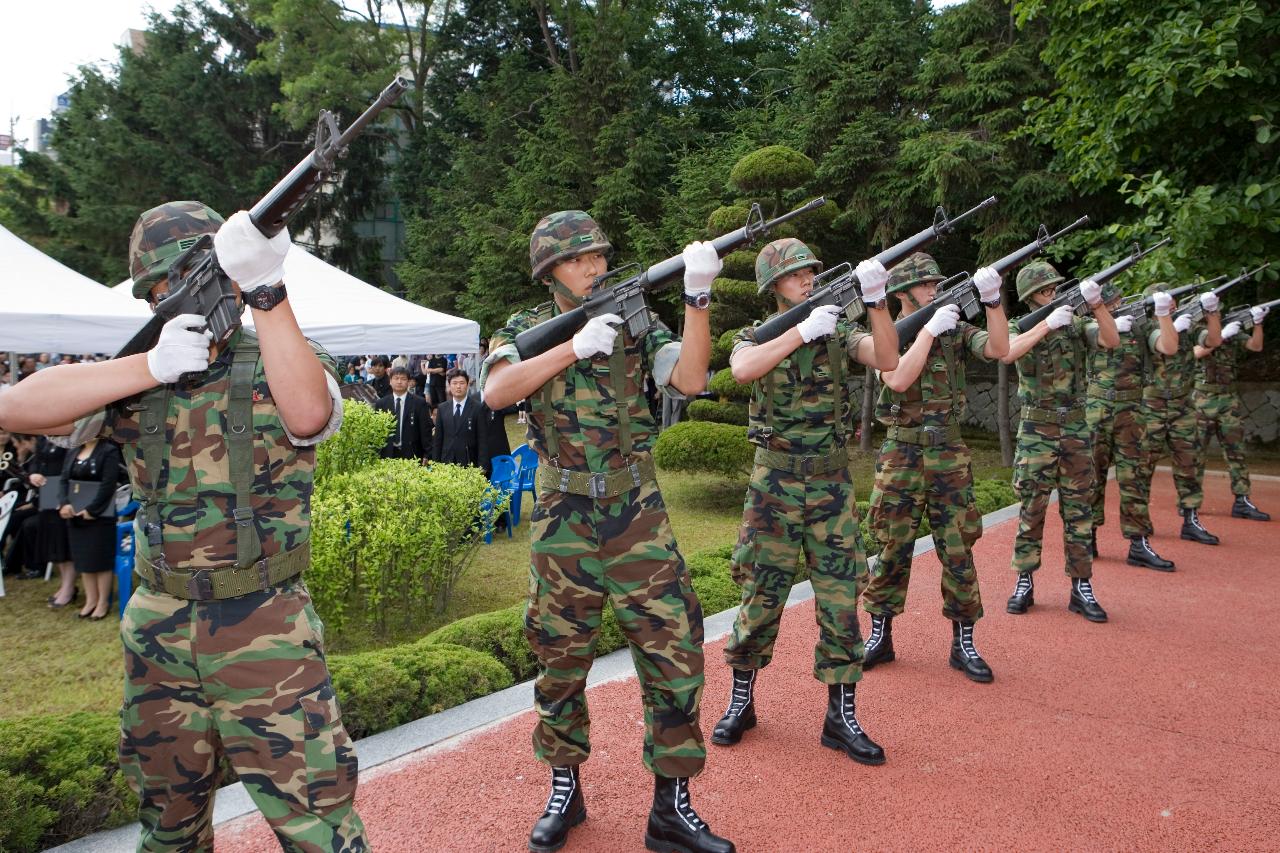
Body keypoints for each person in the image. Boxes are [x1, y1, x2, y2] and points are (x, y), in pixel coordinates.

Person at [0, 200, 366, 850]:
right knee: (168, 829)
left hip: (266, 630)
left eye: (191, 277)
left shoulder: (274, 356)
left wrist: (268, 290)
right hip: (160, 632)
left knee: (321, 828)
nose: (175, 297)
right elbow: (15, 408)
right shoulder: (137, 374)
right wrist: (147, 367)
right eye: (159, 290)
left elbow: (309, 412)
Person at [481, 210, 733, 853]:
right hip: (565, 515)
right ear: (548, 272)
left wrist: (697, 299)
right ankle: (565, 787)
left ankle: (671, 807)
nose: (594, 266)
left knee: (674, 647)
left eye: (599, 255)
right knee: (560, 656)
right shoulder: (520, 331)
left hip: (637, 509)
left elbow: (694, 377)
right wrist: (574, 346)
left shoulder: (635, 324)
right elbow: (497, 391)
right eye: (578, 258)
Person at [712, 237, 894, 762]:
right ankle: (741, 701)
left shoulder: (840, 330)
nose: (808, 280)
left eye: (811, 272)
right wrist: (799, 332)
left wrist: (877, 299)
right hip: (775, 486)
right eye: (796, 275)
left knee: (840, 599)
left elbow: (886, 356)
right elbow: (743, 369)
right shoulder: (754, 335)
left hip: (832, 487)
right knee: (760, 595)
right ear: (773, 285)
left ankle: (842, 715)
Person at [860, 253, 1008, 682]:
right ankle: (880, 636)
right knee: (891, 547)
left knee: (958, 547)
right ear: (902, 293)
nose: (934, 289)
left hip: (948, 452)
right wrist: (927, 330)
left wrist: (994, 302)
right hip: (901, 452)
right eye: (925, 285)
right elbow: (898, 378)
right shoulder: (890, 334)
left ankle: (964, 642)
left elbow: (1000, 348)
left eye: (936, 283)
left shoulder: (955, 330)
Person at [1003, 261, 1118, 622]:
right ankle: (1024, 579)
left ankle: (1081, 585)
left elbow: (1111, 340)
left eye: (1054, 287)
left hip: (1074, 429)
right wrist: (1046, 325)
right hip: (1036, 430)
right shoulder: (1016, 326)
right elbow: (1007, 351)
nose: (1052, 293)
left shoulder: (1076, 323)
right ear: (1028, 296)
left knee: (1079, 510)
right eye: (1044, 290)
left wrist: (1097, 306)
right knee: (1031, 508)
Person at [1086, 286, 1179, 570]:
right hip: (1096, 410)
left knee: (1134, 478)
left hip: (1131, 412)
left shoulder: (1139, 327)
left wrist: (1163, 314)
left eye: (1117, 299)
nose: (1116, 304)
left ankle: (1138, 543)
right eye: (1108, 301)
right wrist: (1105, 319)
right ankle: (1085, 537)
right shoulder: (1087, 325)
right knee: (1090, 477)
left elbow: (1169, 346)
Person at [1137, 284, 1223, 546]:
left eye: (1173, 299)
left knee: (1189, 464)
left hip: (1183, 405)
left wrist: (1212, 313)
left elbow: (1214, 341)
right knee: (1141, 467)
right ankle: (1138, 525)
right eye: (1166, 301)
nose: (1172, 304)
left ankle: (1190, 517)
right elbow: (1165, 346)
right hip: (1151, 406)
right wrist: (1171, 325)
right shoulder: (1144, 327)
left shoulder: (1185, 323)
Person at [1189, 304, 1270, 521]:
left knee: (1236, 451)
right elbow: (1196, 353)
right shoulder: (1195, 330)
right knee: (1195, 454)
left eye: (1218, 311)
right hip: (1202, 399)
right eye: (1213, 311)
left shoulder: (1232, 330)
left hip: (1228, 399)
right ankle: (1189, 503)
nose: (1217, 314)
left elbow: (1255, 346)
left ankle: (1242, 500)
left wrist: (1258, 324)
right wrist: (1222, 336)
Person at [58, 437, 123, 619]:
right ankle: (90, 600)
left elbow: (108, 484)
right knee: (84, 561)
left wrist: (92, 510)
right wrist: (64, 503)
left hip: (99, 516)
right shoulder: (73, 450)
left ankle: (103, 602)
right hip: (75, 514)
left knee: (100, 561)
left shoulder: (109, 450)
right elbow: (64, 480)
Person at [374, 366, 433, 460]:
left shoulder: (419, 403)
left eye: (403, 379)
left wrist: (427, 454)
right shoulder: (381, 403)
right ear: (390, 381)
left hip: (412, 453)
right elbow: (376, 431)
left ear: (408, 382)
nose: (399, 382)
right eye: (396, 378)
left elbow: (425, 430)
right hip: (387, 453)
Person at [432, 368, 480, 466]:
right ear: (449, 385)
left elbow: (482, 438)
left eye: (462, 383)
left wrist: (483, 464)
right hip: (446, 461)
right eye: (454, 383)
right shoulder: (442, 408)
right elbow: (438, 439)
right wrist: (435, 463)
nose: (458, 386)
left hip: (469, 460)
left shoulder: (477, 407)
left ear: (467, 385)